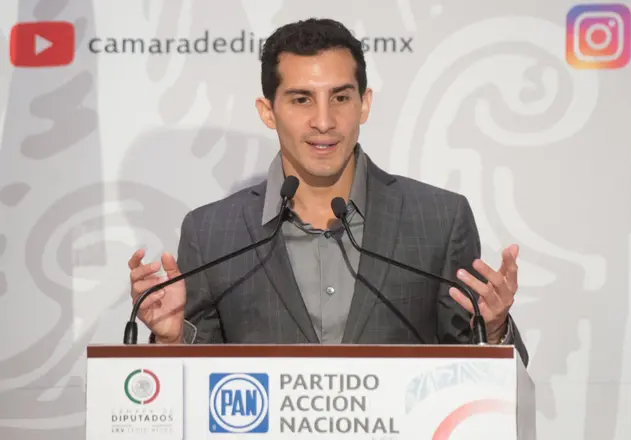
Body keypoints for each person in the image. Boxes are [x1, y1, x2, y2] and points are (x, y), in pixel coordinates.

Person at [127, 18, 528, 365]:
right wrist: (171, 340)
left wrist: (493, 330)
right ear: (268, 112)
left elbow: (477, 387)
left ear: (364, 104)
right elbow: (196, 392)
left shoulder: (439, 220)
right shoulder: (211, 234)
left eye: (340, 97)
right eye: (302, 99)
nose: (324, 121)